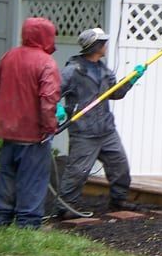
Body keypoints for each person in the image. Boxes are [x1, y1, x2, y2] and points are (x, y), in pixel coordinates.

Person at [55, 27, 144, 215]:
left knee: (120, 166)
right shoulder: (72, 71)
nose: (106, 45)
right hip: (83, 131)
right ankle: (65, 207)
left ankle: (119, 201)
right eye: (103, 42)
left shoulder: (104, 70)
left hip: (106, 129)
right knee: (77, 171)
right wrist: (58, 108)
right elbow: (54, 92)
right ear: (95, 46)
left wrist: (131, 79)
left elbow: (116, 93)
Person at [0, 16, 62, 228]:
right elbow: (48, 100)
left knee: (7, 176)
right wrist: (50, 126)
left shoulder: (8, 56)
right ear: (45, 36)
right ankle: (28, 222)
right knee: (33, 179)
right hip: (32, 134)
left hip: (7, 130)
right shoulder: (46, 63)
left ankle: (1, 218)